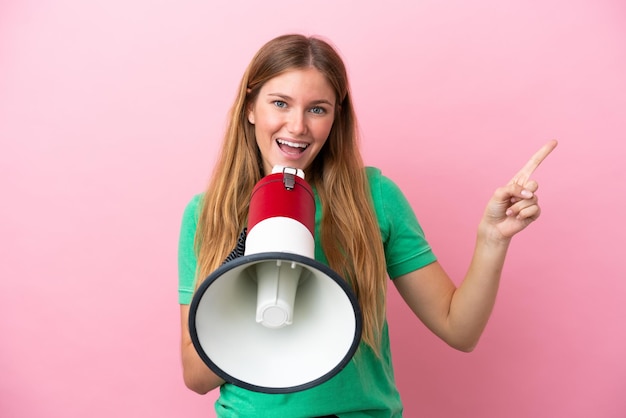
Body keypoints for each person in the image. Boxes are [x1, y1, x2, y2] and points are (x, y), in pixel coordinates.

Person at [177, 33, 557, 417]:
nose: (297, 126)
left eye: (318, 109)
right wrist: (256, 280)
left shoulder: (373, 197)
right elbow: (196, 376)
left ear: (335, 118)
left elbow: (459, 329)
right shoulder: (208, 213)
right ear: (250, 108)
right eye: (280, 103)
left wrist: (491, 239)